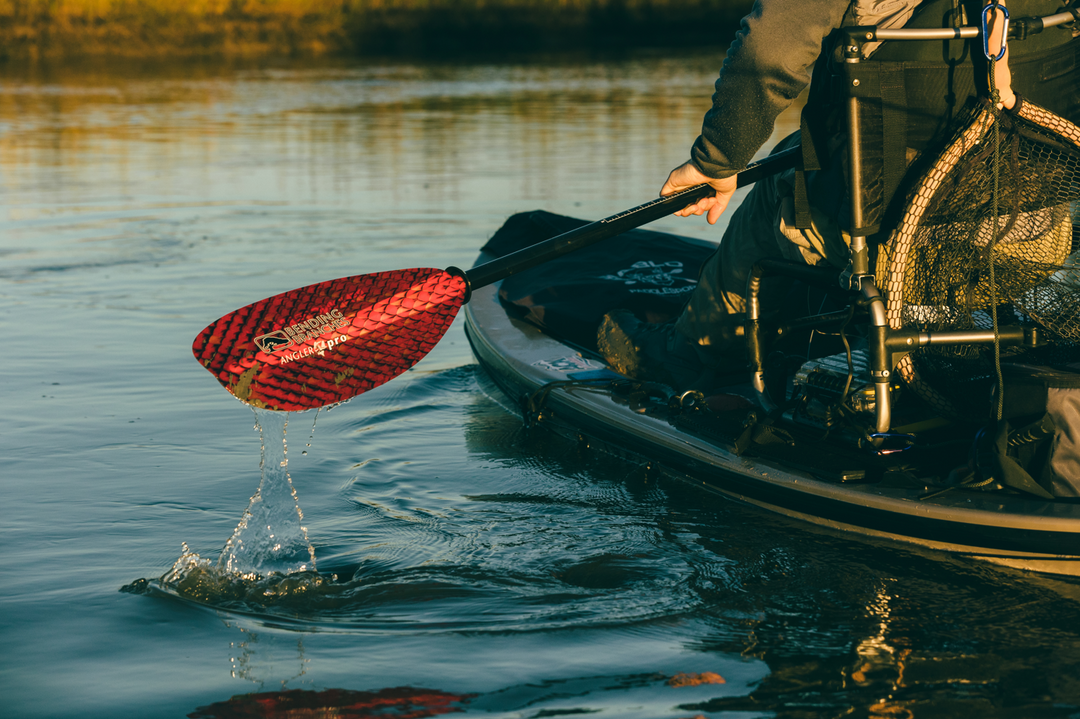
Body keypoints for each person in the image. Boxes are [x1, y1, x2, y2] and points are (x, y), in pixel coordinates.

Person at [597, 0, 1077, 392]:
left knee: (780, 184)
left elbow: (768, 52)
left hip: (892, 246)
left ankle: (691, 353)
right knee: (797, 152)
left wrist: (714, 162)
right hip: (1035, 240)